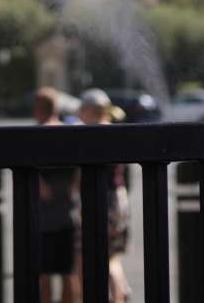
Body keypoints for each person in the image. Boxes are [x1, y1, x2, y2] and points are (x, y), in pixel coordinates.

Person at [77, 89, 132, 303]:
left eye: (82, 109)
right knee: (112, 256)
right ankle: (123, 292)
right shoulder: (112, 130)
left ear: (92, 110)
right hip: (119, 198)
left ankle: (117, 296)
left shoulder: (94, 133)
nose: (79, 114)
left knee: (102, 255)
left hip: (105, 199)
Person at [33, 87, 80, 303]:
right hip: (67, 212)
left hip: (43, 215)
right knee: (68, 272)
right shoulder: (68, 132)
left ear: (37, 109)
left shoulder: (37, 134)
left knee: (43, 274)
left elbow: (33, 171)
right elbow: (78, 170)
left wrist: (42, 187)